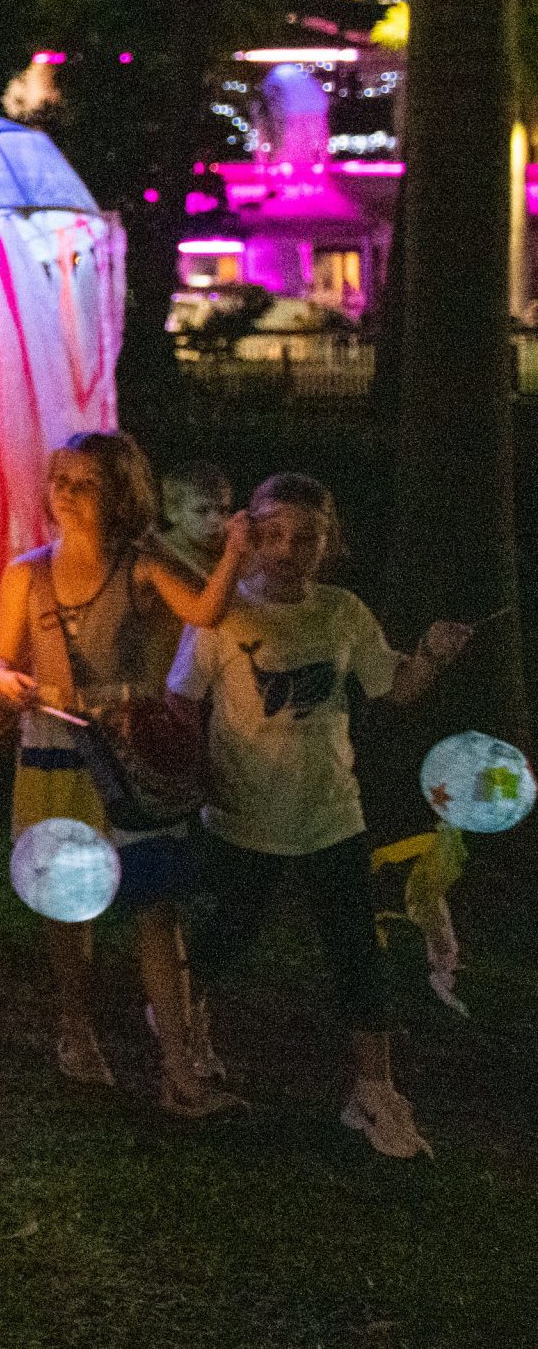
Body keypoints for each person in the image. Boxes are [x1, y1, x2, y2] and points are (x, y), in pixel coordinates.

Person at [169, 473, 469, 1158]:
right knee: (228, 933)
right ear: (249, 535)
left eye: (304, 536)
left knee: (357, 951)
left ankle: (374, 1092)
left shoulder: (342, 612)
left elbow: (393, 687)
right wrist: (195, 770)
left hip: (331, 813)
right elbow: (181, 699)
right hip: (242, 814)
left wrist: (429, 654)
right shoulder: (223, 616)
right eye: (272, 534)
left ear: (327, 541)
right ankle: (186, 1025)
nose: (287, 549)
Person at [0, 432, 248, 1112]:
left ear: (121, 493)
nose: (66, 494)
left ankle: (179, 1067)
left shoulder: (142, 566)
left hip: (133, 761)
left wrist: (237, 552)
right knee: (67, 902)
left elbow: (206, 610)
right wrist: (7, 681)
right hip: (53, 751)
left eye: (86, 484)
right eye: (60, 480)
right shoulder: (28, 572)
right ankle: (76, 1027)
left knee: (155, 906)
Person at [159, 462, 233, 578]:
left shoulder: (232, 550)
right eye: (202, 511)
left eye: (223, 510)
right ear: (172, 511)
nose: (216, 520)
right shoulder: (156, 557)